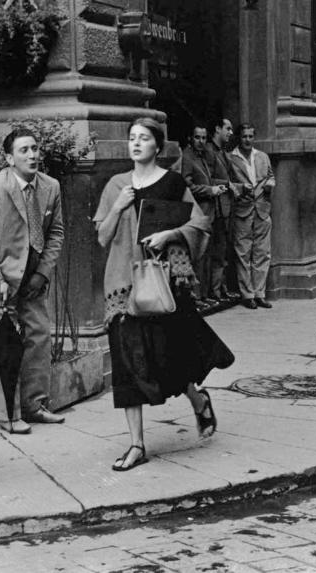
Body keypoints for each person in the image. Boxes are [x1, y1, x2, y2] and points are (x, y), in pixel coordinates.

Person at [94, 117, 234, 471]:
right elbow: (102, 236)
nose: (136, 144)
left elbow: (199, 223)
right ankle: (137, 444)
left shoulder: (172, 183)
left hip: (164, 281)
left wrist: (169, 235)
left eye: (144, 139)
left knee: (170, 354)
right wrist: (117, 207)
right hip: (123, 285)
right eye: (132, 138)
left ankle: (197, 398)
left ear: (158, 146)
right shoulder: (116, 185)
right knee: (127, 364)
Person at [0, 127, 66, 434]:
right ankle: (8, 416)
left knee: (38, 336)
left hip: (33, 279)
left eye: (35, 148)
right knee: (5, 348)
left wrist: (42, 273)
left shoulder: (50, 186)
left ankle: (35, 405)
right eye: (24, 150)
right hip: (0, 281)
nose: (32, 154)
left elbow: (56, 232)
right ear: (9, 158)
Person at [181, 123, 232, 302]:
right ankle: (197, 297)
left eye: (203, 138)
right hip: (198, 212)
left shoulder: (204, 156)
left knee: (210, 255)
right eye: (197, 137)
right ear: (190, 138)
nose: (201, 141)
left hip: (211, 211)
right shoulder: (187, 157)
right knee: (199, 256)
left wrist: (222, 186)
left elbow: (209, 178)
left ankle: (206, 295)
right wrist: (210, 190)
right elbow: (188, 186)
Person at [226, 124, 274, 309]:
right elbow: (227, 183)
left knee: (263, 252)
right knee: (243, 252)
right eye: (244, 136)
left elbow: (271, 176)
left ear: (255, 137)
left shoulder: (262, 156)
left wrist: (270, 183)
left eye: (251, 136)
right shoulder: (231, 158)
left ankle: (260, 293)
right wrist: (239, 189)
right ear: (239, 138)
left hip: (262, 209)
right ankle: (247, 295)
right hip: (242, 208)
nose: (247, 139)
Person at [207, 118, 240, 299]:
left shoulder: (223, 152)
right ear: (217, 129)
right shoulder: (209, 151)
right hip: (215, 208)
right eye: (227, 128)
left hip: (226, 208)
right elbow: (206, 179)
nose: (230, 133)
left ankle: (221, 288)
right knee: (216, 251)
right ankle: (215, 290)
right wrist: (228, 184)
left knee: (223, 250)